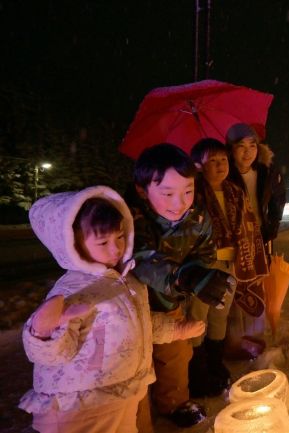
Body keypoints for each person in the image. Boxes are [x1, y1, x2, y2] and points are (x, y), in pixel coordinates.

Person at [19, 186, 205, 433]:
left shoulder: (126, 279)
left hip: (118, 394)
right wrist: (43, 330)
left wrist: (176, 329)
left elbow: (139, 324)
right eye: (102, 242)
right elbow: (52, 354)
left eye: (119, 237)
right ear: (72, 242)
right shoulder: (74, 289)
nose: (115, 248)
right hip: (82, 406)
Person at [125, 143, 236, 428]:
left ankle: (173, 402)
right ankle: (132, 415)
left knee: (175, 353)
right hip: (131, 307)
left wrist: (201, 274)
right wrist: (183, 277)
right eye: (167, 194)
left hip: (171, 303)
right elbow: (143, 260)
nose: (180, 202)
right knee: (131, 363)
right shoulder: (129, 219)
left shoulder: (198, 216)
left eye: (188, 191)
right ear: (141, 190)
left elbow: (205, 252)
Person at [187, 138, 268, 396]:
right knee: (198, 316)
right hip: (203, 263)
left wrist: (249, 257)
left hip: (231, 261)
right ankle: (197, 372)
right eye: (213, 161)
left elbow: (248, 224)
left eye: (223, 160)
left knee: (220, 314)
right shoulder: (192, 193)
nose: (220, 165)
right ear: (199, 165)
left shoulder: (234, 191)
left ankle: (215, 363)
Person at [225, 123, 286, 356]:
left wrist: (272, 225)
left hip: (260, 238)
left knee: (257, 289)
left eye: (252, 145)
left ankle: (255, 342)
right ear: (230, 149)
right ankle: (233, 344)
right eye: (241, 146)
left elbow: (278, 199)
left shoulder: (265, 172)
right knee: (235, 291)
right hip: (235, 241)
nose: (247, 152)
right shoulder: (225, 175)